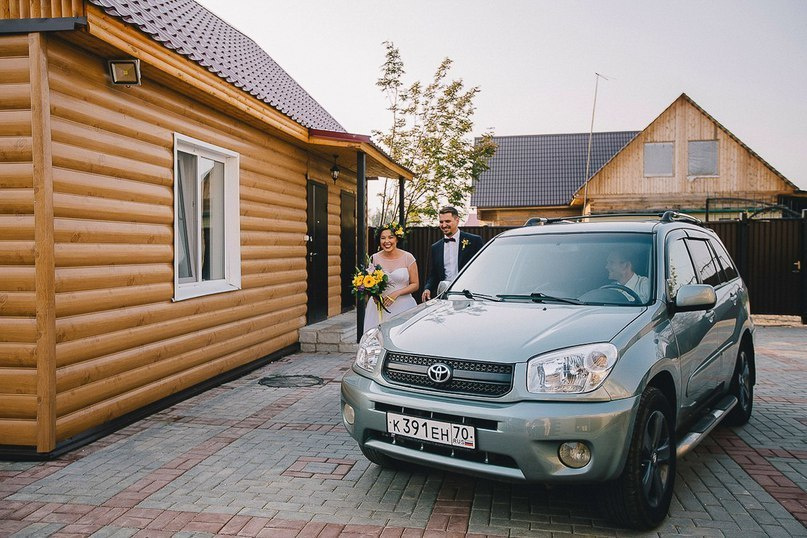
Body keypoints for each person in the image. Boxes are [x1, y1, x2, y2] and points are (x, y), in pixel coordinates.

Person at [363, 224, 419, 333]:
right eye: (383, 238)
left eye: (390, 237)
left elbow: (415, 284)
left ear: (397, 239)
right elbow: (368, 281)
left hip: (404, 306)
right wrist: (373, 294)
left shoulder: (408, 257)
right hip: (379, 307)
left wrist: (396, 293)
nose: (386, 241)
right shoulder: (374, 258)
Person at [421, 206, 484, 301]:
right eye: (441, 222)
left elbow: (482, 267)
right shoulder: (436, 247)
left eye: (447, 221)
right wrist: (428, 288)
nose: (444, 225)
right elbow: (434, 274)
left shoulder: (474, 241)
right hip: (445, 295)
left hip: (470, 294)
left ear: (457, 220)